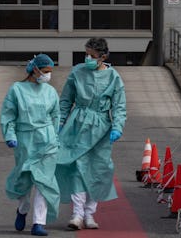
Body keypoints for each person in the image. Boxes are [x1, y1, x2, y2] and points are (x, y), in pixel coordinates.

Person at [56, 37, 127, 230]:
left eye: (92, 56)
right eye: (85, 54)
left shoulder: (113, 77)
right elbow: (66, 100)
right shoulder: (77, 72)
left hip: (101, 126)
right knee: (78, 167)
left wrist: (117, 126)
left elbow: (119, 105)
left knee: (98, 169)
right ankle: (77, 214)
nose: (87, 58)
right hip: (77, 124)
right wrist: (60, 121)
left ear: (102, 57)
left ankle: (89, 213)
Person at [0, 53, 61, 236]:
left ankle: (38, 223)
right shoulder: (17, 90)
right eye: (45, 71)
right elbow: (8, 115)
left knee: (44, 183)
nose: (47, 75)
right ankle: (22, 209)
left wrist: (56, 137)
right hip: (25, 141)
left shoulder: (50, 91)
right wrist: (10, 135)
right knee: (24, 182)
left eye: (50, 71)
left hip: (47, 142)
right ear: (34, 70)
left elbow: (56, 115)